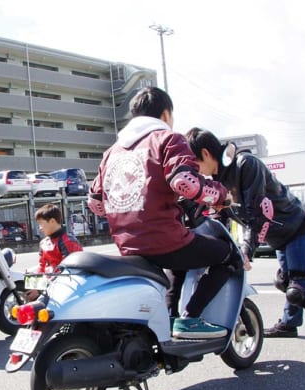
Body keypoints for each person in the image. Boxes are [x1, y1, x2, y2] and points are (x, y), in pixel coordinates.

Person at [186, 127, 305, 379]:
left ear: (205, 153)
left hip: (298, 228)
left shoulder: (246, 165)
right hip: (280, 236)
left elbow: (258, 213)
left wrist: (246, 251)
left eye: (194, 162)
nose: (193, 169)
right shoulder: (218, 180)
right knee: (283, 282)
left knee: (301, 291)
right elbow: (220, 215)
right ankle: (289, 324)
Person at [88, 86, 241, 339]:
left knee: (179, 264)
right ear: (166, 114)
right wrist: (221, 195)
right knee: (228, 256)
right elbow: (185, 183)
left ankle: (169, 319)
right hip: (164, 242)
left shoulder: (111, 153)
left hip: (128, 248)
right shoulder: (168, 139)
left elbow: (96, 203)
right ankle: (190, 319)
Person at [27, 203, 83, 301]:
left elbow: (69, 271)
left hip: (67, 287)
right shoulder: (44, 243)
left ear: (52, 221)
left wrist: (40, 289)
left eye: (41, 223)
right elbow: (41, 266)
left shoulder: (68, 241)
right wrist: (35, 288)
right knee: (29, 275)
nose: (40, 228)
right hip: (51, 282)